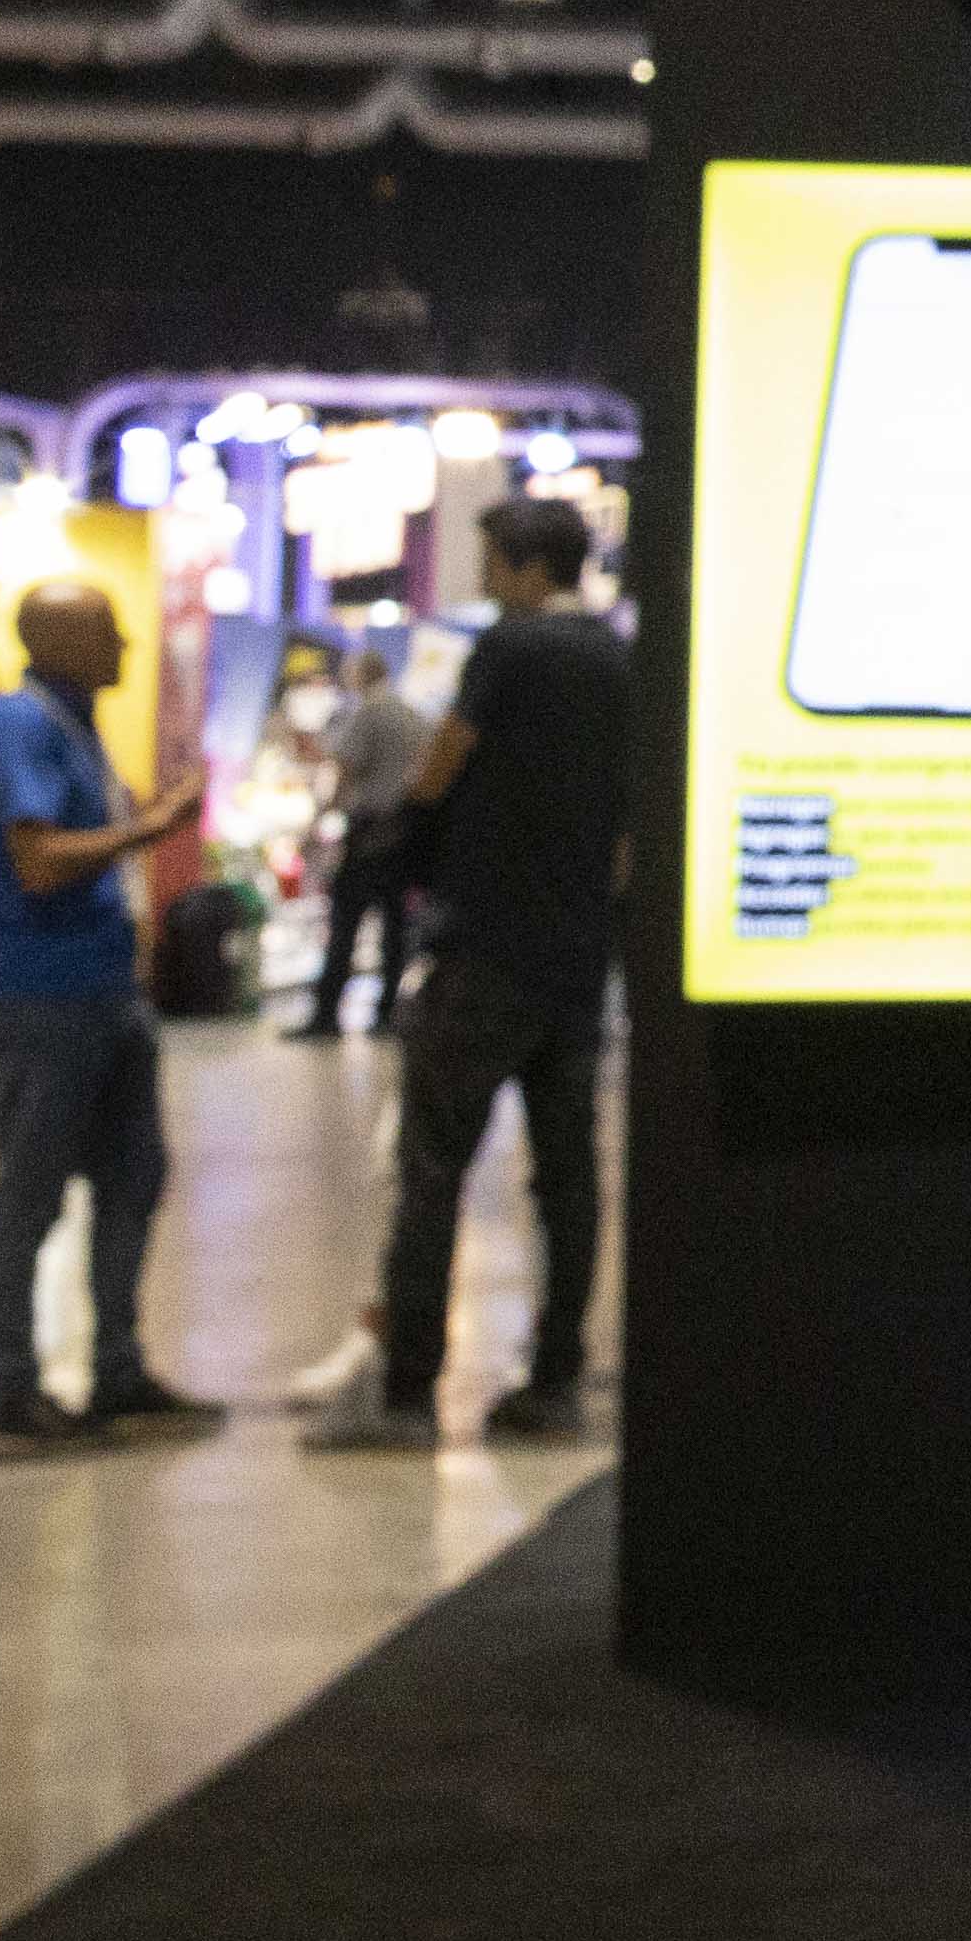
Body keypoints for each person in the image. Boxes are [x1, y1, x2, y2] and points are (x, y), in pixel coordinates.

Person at [312, 499, 630, 1452]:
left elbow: (441, 761)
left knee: (434, 1164)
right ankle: (557, 1381)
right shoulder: (618, 657)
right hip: (576, 958)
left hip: (485, 950)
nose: (486, 580)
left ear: (529, 565)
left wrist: (413, 837)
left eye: (492, 562)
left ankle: (407, 1391)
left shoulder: (511, 647)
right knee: (567, 1178)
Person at [0, 577, 222, 1457]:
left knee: (132, 1178)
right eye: (108, 630)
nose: (125, 645)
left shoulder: (72, 725)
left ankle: (118, 1371)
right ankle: (12, 1388)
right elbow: (36, 860)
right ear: (55, 641)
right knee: (30, 1192)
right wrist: (154, 827)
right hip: (41, 993)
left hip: (102, 991)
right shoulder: (19, 725)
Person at [290, 647, 436, 1043]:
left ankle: (326, 1014)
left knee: (344, 925)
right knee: (394, 928)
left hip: (368, 833)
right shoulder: (410, 713)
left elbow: (346, 769)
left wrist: (319, 821)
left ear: (360, 674)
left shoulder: (369, 711)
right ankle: (386, 1012)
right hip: (402, 833)